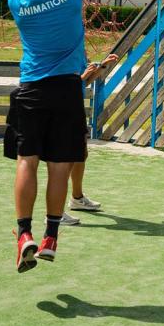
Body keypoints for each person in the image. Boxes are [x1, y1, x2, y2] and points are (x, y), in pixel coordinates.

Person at [7, 0, 101, 273]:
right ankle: (51, 236)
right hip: (66, 91)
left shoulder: (17, 1)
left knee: (27, 161)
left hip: (31, 91)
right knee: (59, 167)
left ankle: (23, 235)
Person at [60, 56, 117, 226]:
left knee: (80, 155)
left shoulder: (77, 49)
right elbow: (60, 86)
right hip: (62, 110)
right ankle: (55, 212)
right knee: (64, 160)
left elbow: (83, 83)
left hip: (75, 110)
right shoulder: (62, 51)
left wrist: (102, 67)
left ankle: (77, 199)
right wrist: (83, 76)